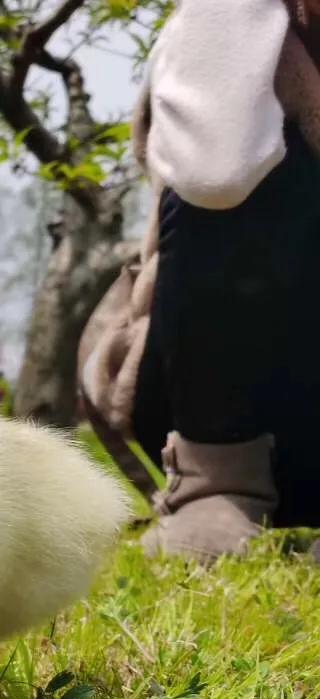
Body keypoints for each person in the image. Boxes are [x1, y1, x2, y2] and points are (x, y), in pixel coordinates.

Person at [128, 0, 320, 561]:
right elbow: (216, 172)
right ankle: (217, 487)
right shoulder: (231, 25)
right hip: (220, 415)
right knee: (245, 164)